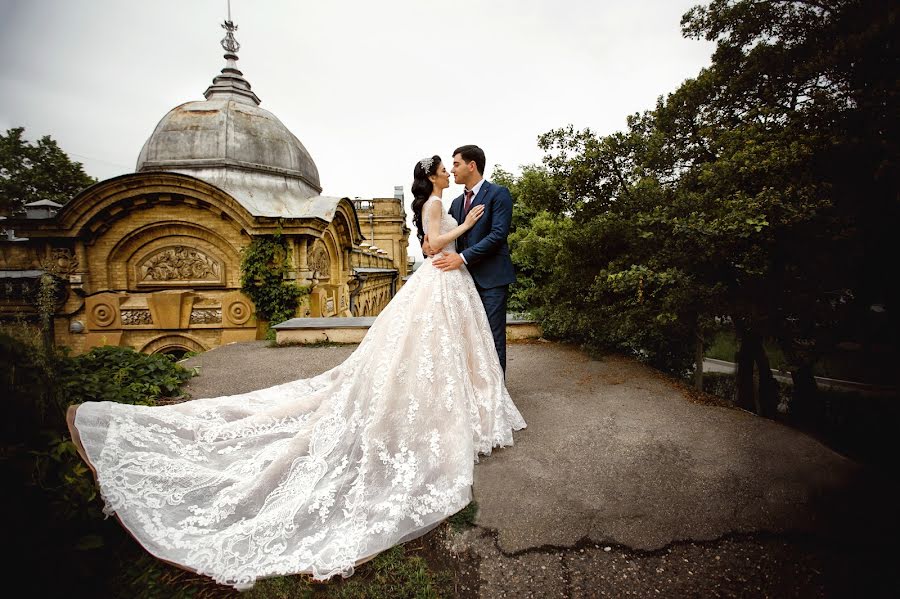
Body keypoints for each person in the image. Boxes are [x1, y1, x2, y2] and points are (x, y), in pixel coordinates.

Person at [65, 155, 526, 591]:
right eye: (447, 166)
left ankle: (463, 400)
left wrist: (461, 239)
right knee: (427, 350)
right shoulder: (438, 203)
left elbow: (463, 241)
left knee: (451, 349)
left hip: (455, 281)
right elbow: (429, 246)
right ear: (437, 175)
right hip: (442, 277)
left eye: (455, 163)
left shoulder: (459, 198)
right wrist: (462, 230)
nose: (451, 168)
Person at [424, 145, 516, 373]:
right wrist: (427, 245)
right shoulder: (455, 203)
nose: (452, 170)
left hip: (491, 280)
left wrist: (462, 258)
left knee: (493, 340)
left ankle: (497, 398)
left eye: (456, 164)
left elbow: (498, 235)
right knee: (469, 342)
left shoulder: (498, 194)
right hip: (462, 283)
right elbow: (448, 236)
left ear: (471, 165)